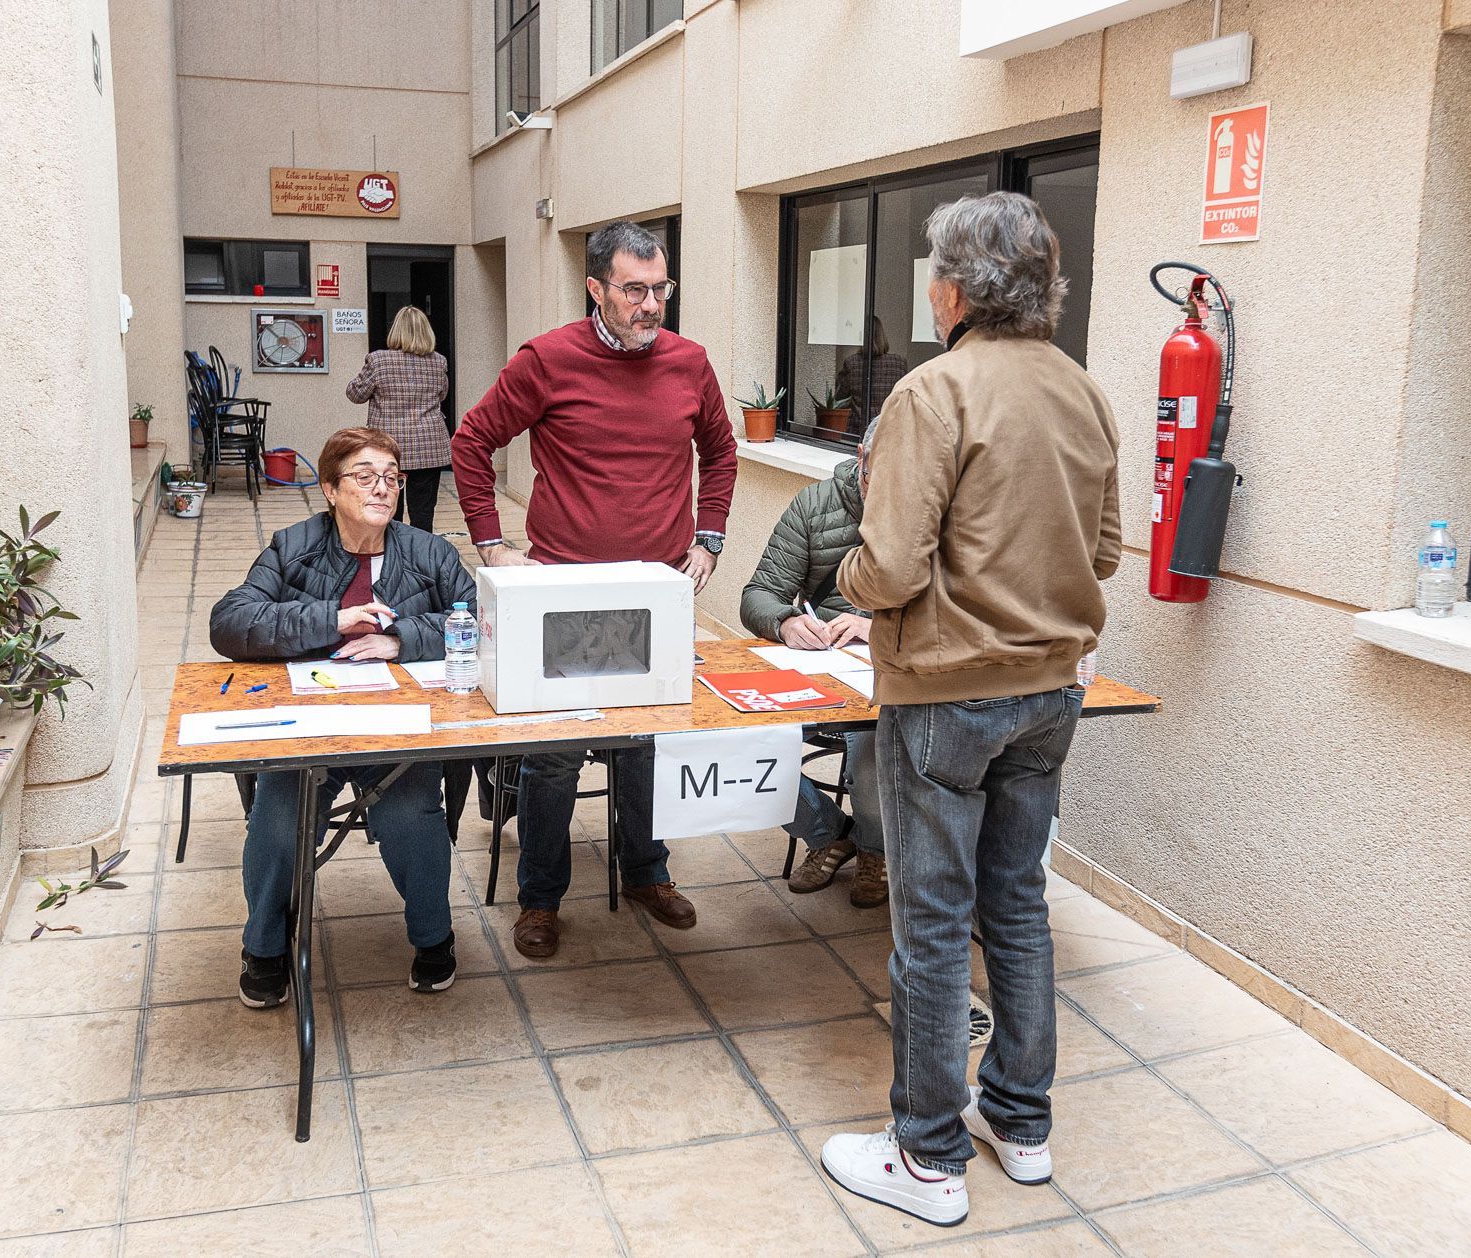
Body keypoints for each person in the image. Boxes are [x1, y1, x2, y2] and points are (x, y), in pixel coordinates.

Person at [818, 192, 1121, 1225]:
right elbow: (1108, 552)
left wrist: (849, 583)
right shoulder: (1083, 392)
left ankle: (928, 1156)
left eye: (931, 273)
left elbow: (892, 565)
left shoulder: (931, 391)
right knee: (1018, 908)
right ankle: (1021, 1127)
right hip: (1051, 692)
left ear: (951, 287)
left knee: (934, 928)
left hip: (947, 696)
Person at [450, 219, 738, 959]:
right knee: (557, 752)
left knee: (647, 740)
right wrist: (492, 544)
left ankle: (646, 872)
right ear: (596, 288)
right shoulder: (547, 360)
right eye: (634, 290)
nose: (650, 305)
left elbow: (722, 451)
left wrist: (709, 539)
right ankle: (541, 898)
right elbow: (473, 441)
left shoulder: (689, 363)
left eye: (660, 289)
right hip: (565, 592)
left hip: (658, 594)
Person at [210, 427, 477, 1004]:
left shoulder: (430, 553)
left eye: (391, 477)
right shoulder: (293, 546)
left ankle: (434, 940)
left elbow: (479, 621)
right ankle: (264, 947)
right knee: (279, 817)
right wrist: (331, 620)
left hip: (399, 729)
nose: (382, 488)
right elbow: (229, 622)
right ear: (329, 488)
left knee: (410, 818)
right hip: (312, 724)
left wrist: (401, 638)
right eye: (364, 476)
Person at [740, 419, 885, 908]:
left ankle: (875, 851)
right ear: (861, 456)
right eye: (879, 471)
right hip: (817, 665)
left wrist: (880, 630)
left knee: (875, 751)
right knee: (742, 743)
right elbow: (758, 593)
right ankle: (829, 833)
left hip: (889, 671)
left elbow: (955, 610)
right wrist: (784, 622)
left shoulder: (937, 509)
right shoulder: (815, 504)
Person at [346, 306, 450, 533]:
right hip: (428, 446)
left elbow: (355, 395)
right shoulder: (438, 362)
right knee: (423, 512)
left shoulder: (378, 361)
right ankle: (421, 558)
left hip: (387, 447)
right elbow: (442, 394)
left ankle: (391, 555)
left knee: (387, 507)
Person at [835, 316, 908, 426]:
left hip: (858, 428)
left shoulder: (851, 363)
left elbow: (840, 398)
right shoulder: (899, 363)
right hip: (889, 426)